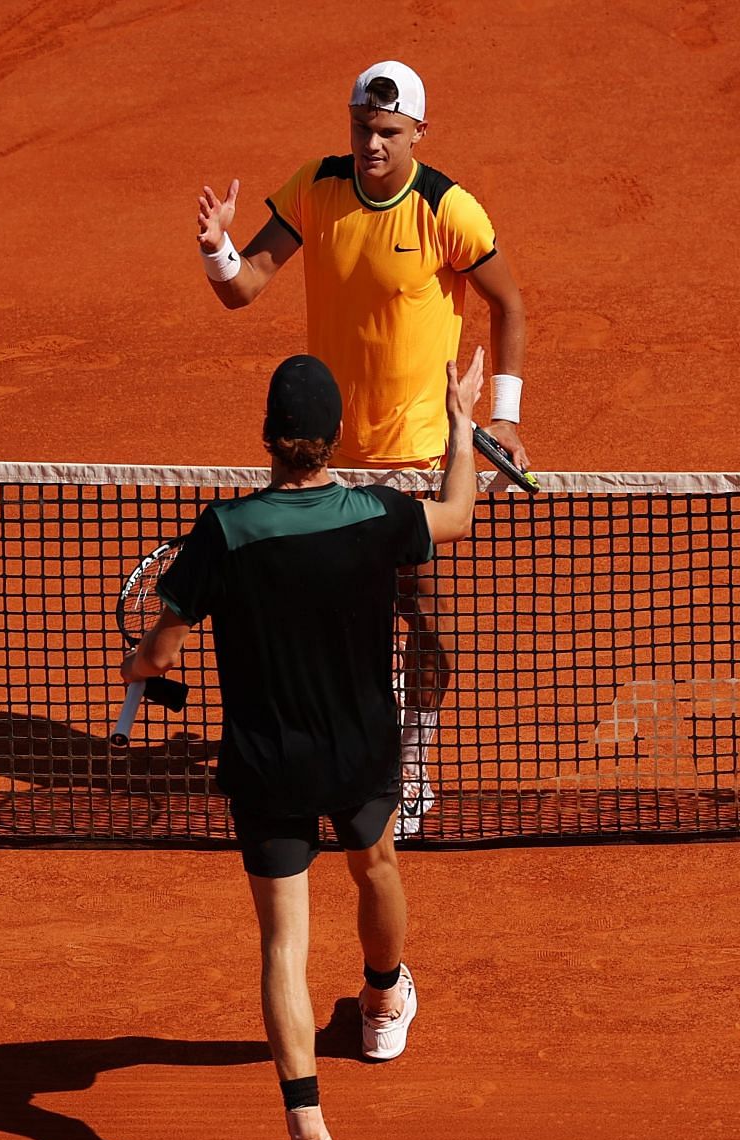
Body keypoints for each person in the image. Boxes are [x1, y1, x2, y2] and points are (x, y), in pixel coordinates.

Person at [121, 349, 484, 1140]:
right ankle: (384, 999)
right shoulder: (379, 514)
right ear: (335, 438)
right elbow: (460, 515)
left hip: (268, 762)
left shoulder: (225, 532)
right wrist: (462, 429)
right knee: (378, 867)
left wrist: (143, 659)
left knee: (284, 945)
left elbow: (164, 647)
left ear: (268, 437)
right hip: (359, 748)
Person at [193, 59, 529, 836]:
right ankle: (331, 754)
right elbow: (243, 287)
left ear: (418, 133)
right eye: (361, 129)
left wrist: (503, 419)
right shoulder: (316, 186)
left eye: (387, 132)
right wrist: (217, 248)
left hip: (416, 458)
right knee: (332, 619)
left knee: (424, 619)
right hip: (330, 459)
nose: (372, 144)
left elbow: (508, 302)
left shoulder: (449, 210)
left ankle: (411, 758)